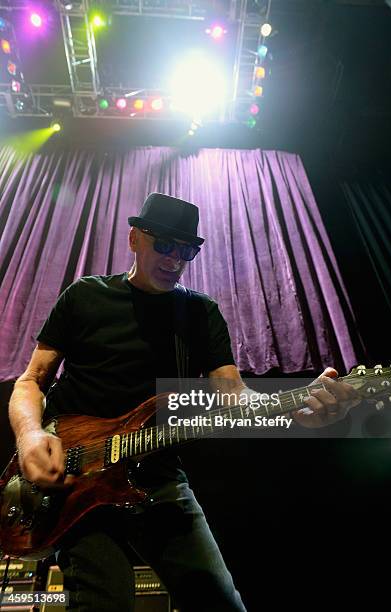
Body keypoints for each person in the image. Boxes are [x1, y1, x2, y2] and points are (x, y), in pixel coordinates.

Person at [8, 193, 358, 611]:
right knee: (104, 603)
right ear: (135, 238)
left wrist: (297, 410)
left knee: (219, 602)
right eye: (165, 245)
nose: (176, 259)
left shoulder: (199, 313)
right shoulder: (85, 296)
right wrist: (30, 435)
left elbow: (234, 398)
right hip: (77, 479)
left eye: (187, 250)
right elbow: (31, 381)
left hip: (157, 476)